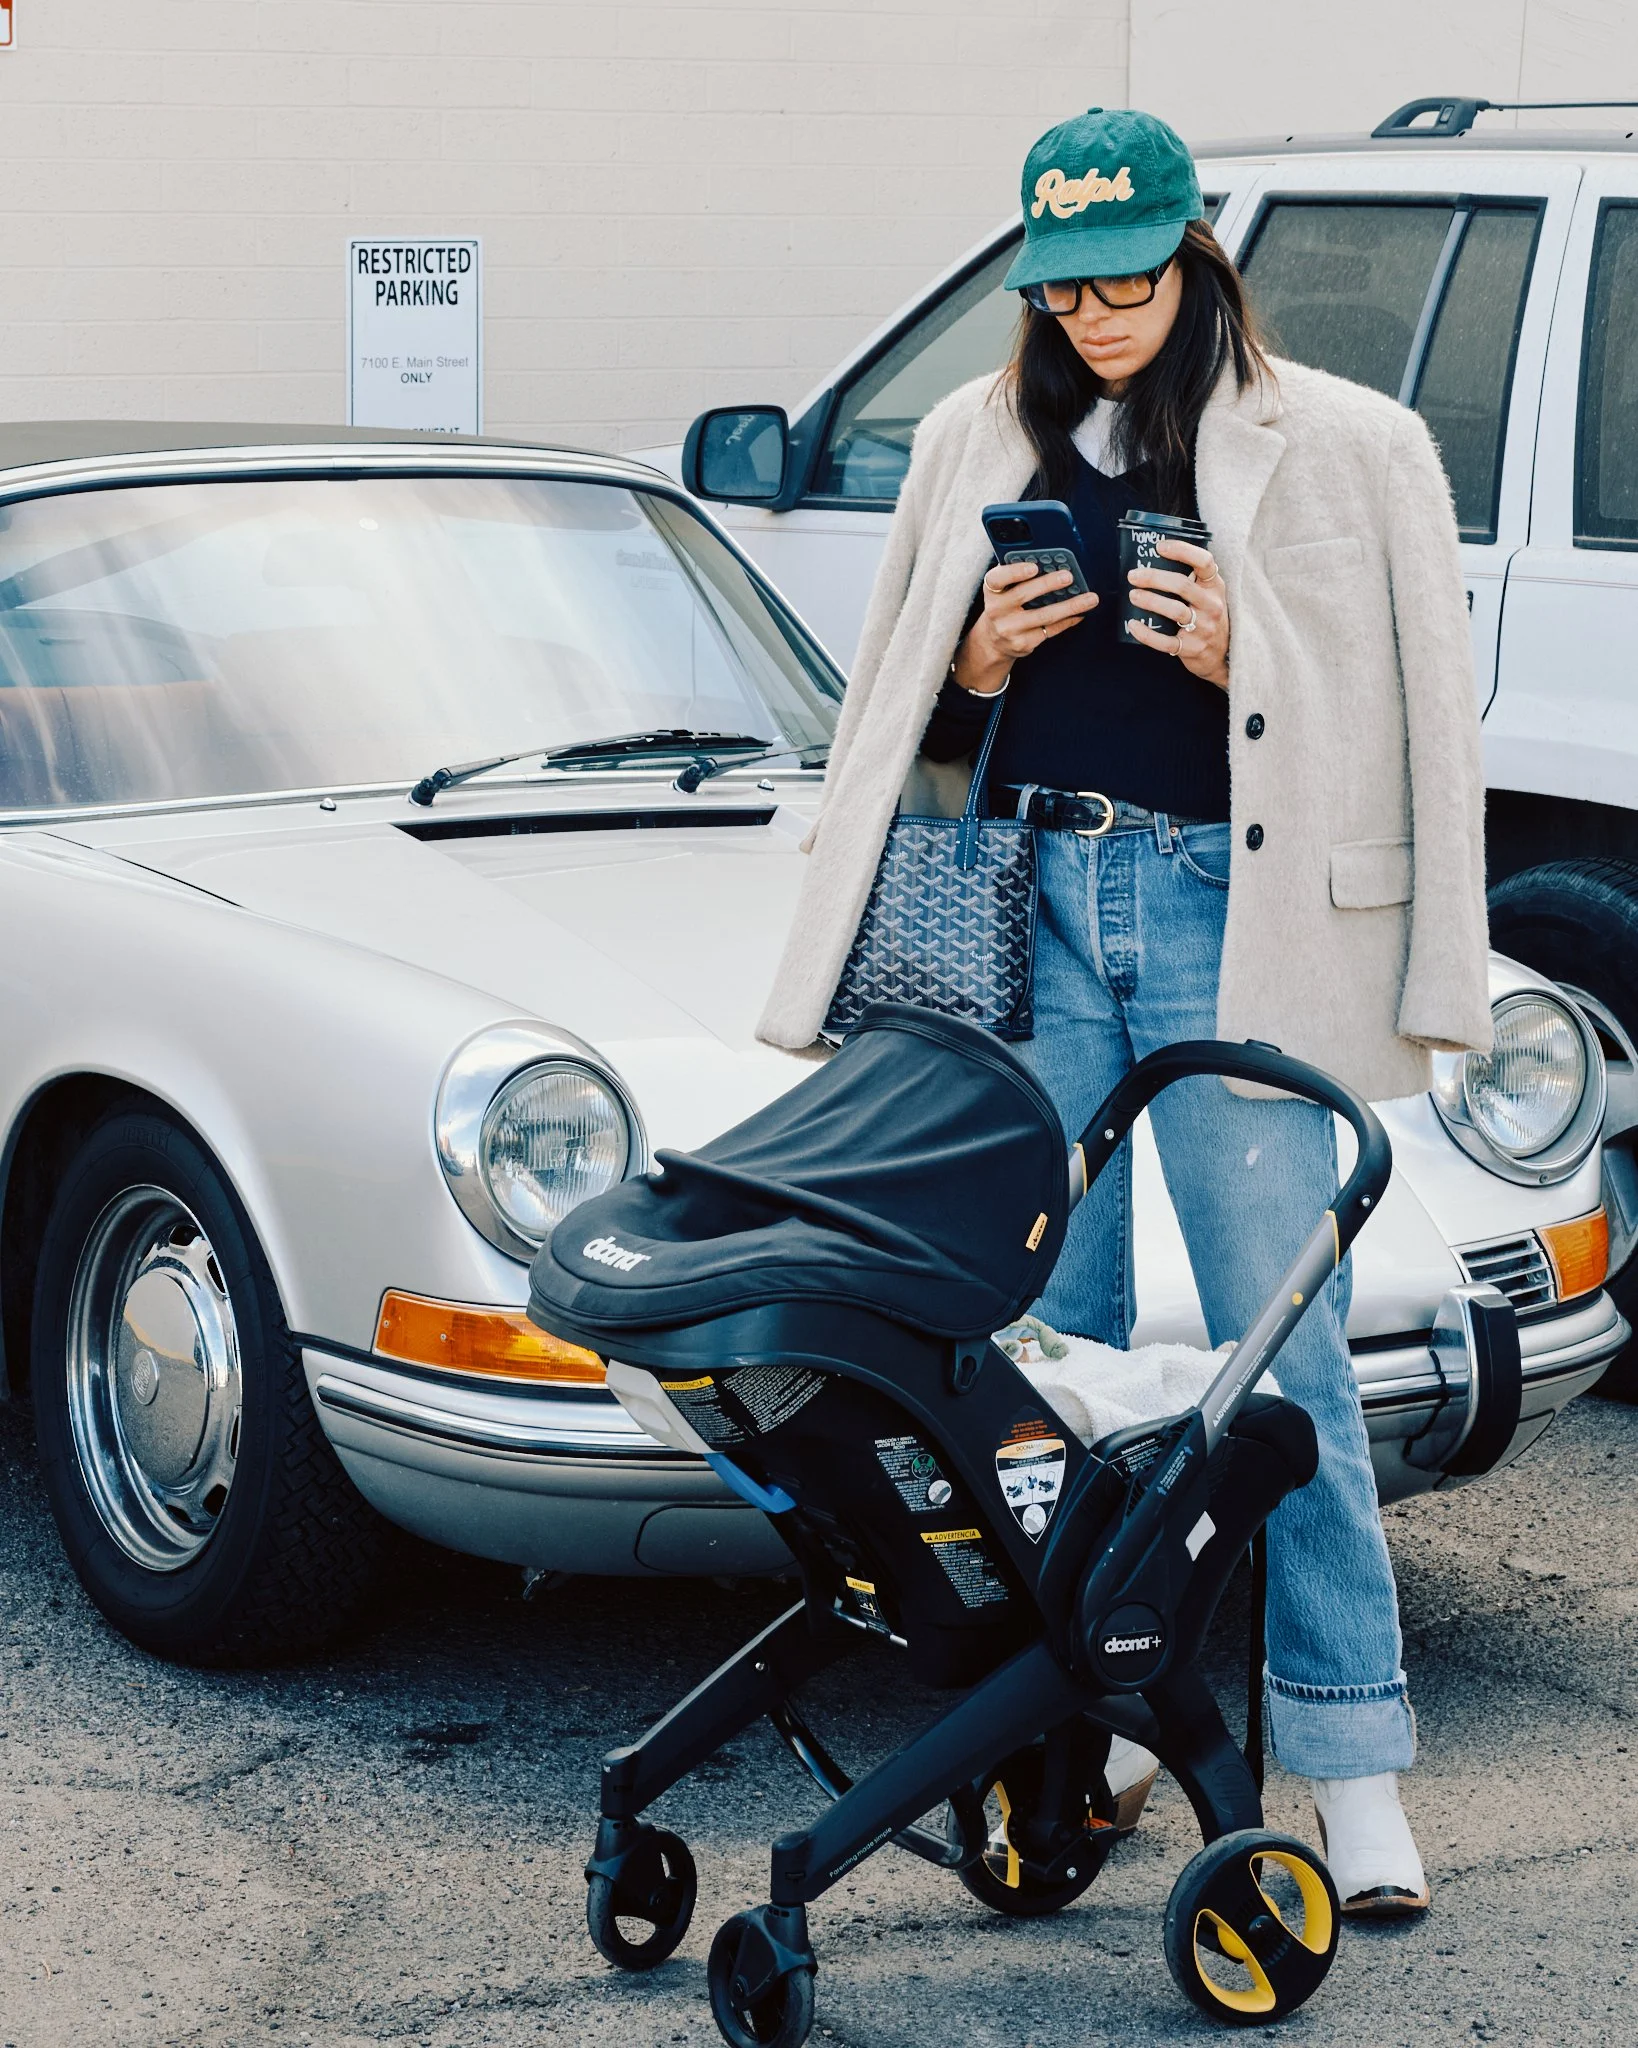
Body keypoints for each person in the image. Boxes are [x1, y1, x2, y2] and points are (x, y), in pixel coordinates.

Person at [758, 105, 1493, 1915]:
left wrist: (1251, 657)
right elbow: (890, 725)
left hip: (1223, 910)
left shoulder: (1349, 445)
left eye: (1126, 278)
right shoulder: (967, 435)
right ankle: (1056, 1759)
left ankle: (1346, 1762)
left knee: (1276, 1351)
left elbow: (1425, 727)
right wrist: (974, 665)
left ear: (1195, 261)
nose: (1094, 314)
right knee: (1044, 1361)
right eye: (1063, 284)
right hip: (1025, 902)